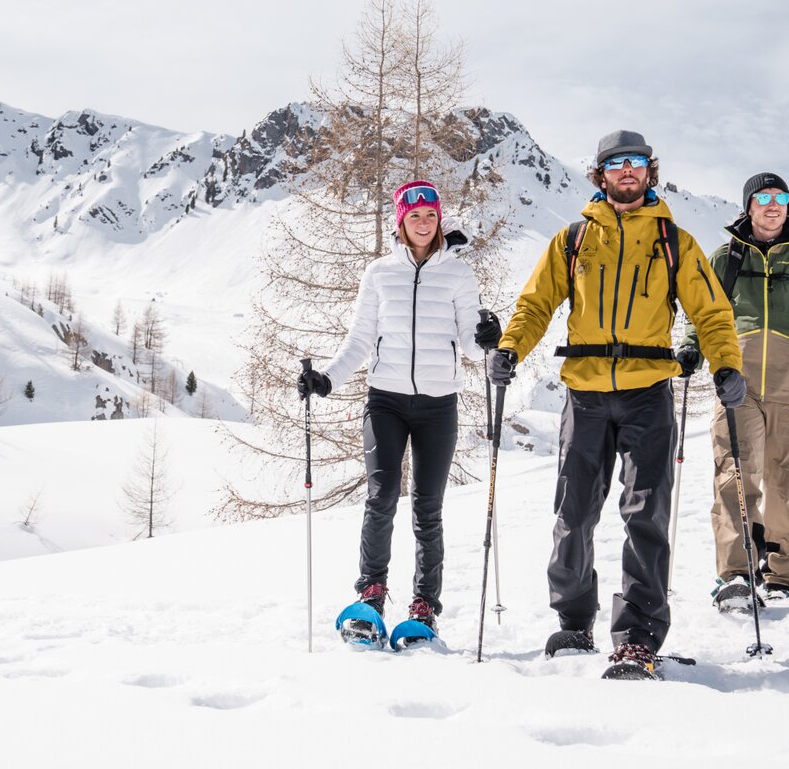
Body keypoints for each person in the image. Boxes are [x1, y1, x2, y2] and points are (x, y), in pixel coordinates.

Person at [487, 130, 743, 674]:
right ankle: (573, 622)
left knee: (645, 511)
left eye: (637, 163)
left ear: (651, 171)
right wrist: (510, 347)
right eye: (615, 164)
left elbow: (712, 313)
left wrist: (726, 365)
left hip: (648, 390)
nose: (627, 171)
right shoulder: (573, 239)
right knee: (574, 511)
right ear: (600, 174)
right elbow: (536, 303)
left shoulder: (675, 241)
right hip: (585, 393)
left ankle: (639, 637)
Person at [298, 180, 500, 634]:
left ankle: (424, 605)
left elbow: (471, 345)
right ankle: (370, 594)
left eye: (430, 215)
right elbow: (360, 340)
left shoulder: (459, 274)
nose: (424, 223)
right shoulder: (379, 274)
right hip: (385, 401)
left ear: (439, 219)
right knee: (382, 496)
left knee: (427, 507)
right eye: (415, 216)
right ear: (400, 221)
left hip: (437, 406)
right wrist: (327, 378)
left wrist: (489, 340)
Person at [677, 172, 789, 606]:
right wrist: (691, 350)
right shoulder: (725, 258)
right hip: (735, 378)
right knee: (734, 474)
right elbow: (703, 316)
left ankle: (783, 576)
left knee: (788, 481)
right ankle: (736, 575)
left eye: (781, 196)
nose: (773, 204)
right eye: (764, 197)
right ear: (749, 207)